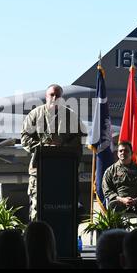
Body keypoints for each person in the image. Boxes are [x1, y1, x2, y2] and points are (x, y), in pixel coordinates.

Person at [21, 84, 85, 221]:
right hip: (39, 171)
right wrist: (44, 146)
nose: (54, 97)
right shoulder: (35, 115)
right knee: (38, 210)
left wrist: (62, 148)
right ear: (46, 96)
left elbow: (79, 140)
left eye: (58, 95)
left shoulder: (71, 117)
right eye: (52, 95)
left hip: (63, 171)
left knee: (62, 209)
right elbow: (25, 139)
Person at [102, 141, 137, 218]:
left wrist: (136, 200)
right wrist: (122, 199)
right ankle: (118, 230)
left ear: (131, 153)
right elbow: (107, 191)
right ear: (117, 153)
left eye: (126, 151)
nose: (123, 153)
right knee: (113, 207)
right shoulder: (110, 171)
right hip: (119, 202)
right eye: (120, 151)